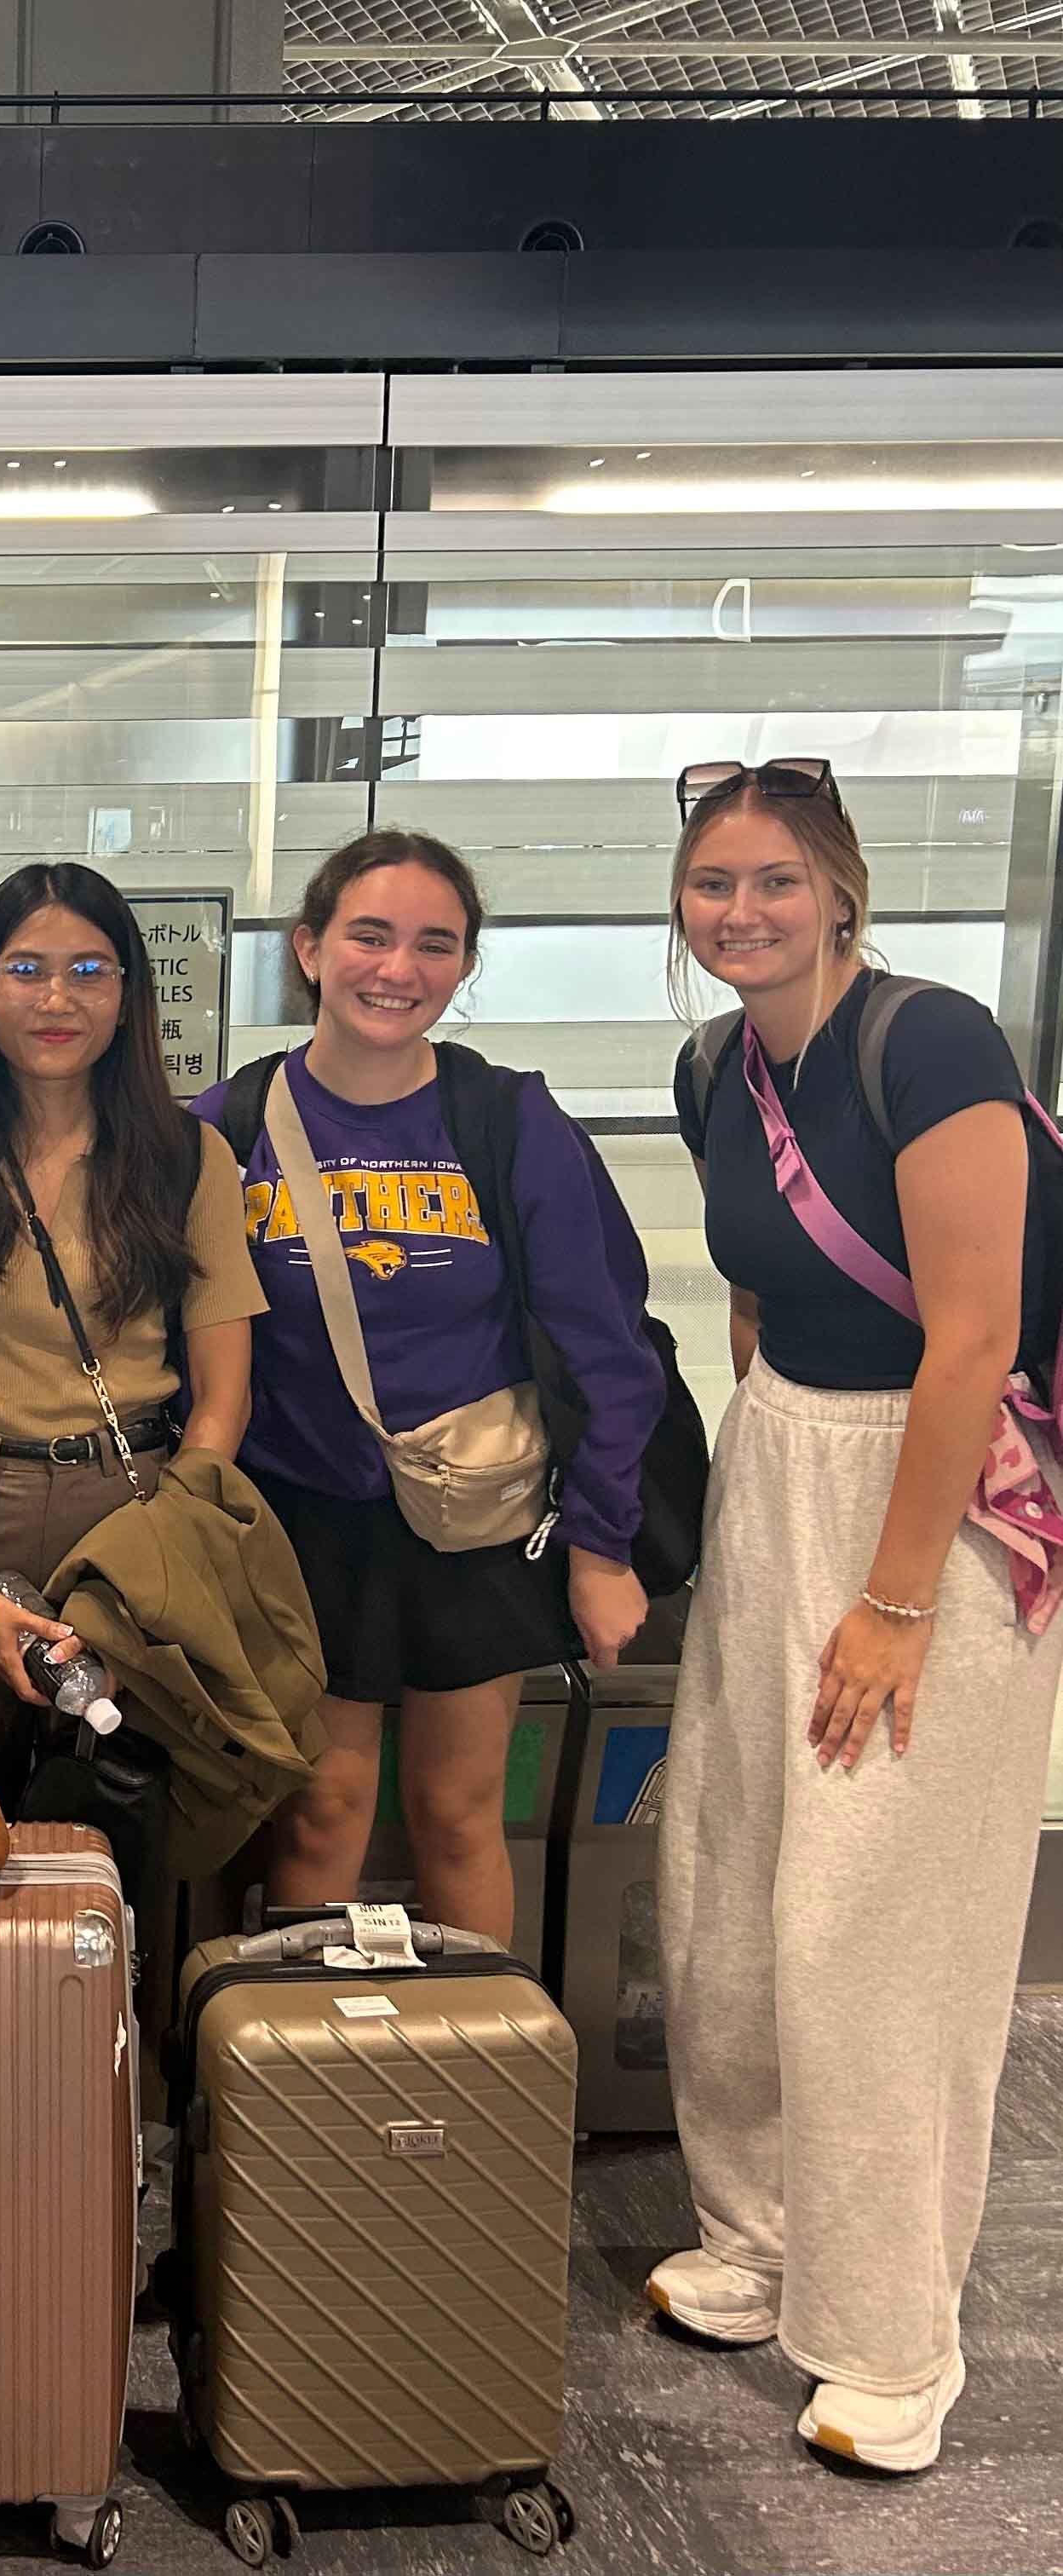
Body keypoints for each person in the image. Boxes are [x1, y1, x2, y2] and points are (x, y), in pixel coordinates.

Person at [647, 758, 1061, 2472]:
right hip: (783, 1465)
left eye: (771, 879)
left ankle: (893, 2325)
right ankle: (757, 2230)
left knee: (877, 1913)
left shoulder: (934, 1038)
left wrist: (893, 1599)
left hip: (934, 1492)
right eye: (709, 884)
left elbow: (966, 1332)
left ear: (839, 885)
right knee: (728, 1876)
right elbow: (760, 1275)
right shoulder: (708, 1066)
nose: (739, 911)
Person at [196, 832, 663, 1946]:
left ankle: (484, 2085)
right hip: (297, 1523)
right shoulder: (225, 1124)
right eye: (367, 934)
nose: (394, 967)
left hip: (472, 1519)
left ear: (460, 967)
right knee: (318, 1809)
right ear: (309, 947)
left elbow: (605, 1346)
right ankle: (294, 2086)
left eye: (431, 943)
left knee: (457, 1814)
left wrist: (601, 1548)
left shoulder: (508, 1123)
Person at [0, 862, 265, 1812]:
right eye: (25, 968)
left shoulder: (186, 1157)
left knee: (119, 1815)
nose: (56, 997)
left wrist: (161, 1560)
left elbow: (222, 1390)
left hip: (132, 1512)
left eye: (88, 969)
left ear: (128, 995)